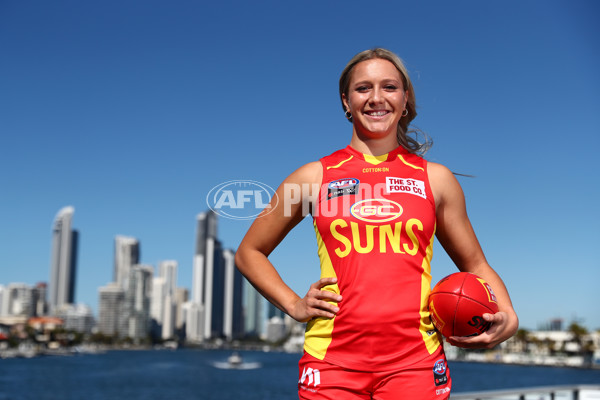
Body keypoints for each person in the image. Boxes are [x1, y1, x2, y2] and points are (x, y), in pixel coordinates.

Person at [235, 48, 519, 399]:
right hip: (331, 363)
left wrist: (509, 315)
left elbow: (475, 264)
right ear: (346, 101)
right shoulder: (313, 177)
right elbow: (250, 252)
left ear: (405, 99)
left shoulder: (436, 179)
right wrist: (294, 304)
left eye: (389, 87)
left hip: (415, 363)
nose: (376, 98)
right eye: (363, 88)